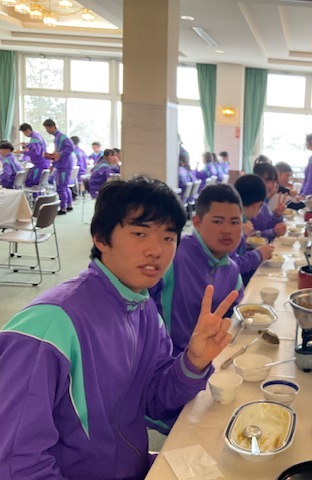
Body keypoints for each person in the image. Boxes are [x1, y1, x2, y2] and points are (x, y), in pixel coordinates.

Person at [0, 176, 237, 479]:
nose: (156, 250)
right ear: (100, 238)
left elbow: (154, 401)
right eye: (140, 233)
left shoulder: (142, 309)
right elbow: (15, 463)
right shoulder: (49, 326)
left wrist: (194, 361)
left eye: (168, 237)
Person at [151, 184, 244, 354]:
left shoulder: (232, 270)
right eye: (217, 221)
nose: (227, 230)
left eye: (234, 222)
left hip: (211, 356)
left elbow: (234, 317)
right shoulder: (173, 256)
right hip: (169, 360)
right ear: (197, 223)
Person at [232, 174, 275, 283]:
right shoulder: (236, 226)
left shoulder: (240, 221)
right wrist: (258, 255)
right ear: (258, 205)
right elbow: (231, 265)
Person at [43, 119, 75, 214]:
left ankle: (63, 207)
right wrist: (53, 160)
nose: (47, 131)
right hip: (61, 164)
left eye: (47, 128)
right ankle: (68, 205)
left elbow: (71, 148)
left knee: (61, 187)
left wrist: (59, 154)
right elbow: (58, 152)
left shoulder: (62, 137)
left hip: (64, 165)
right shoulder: (57, 138)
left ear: (52, 126)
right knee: (64, 186)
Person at [252, 162, 286, 242]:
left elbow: (268, 226)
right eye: (266, 181)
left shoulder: (264, 202)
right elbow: (249, 237)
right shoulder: (249, 203)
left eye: (274, 182)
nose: (271, 186)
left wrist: (277, 216)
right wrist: (273, 232)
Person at [18, 123, 49, 187]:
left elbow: (35, 153)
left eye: (24, 133)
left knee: (30, 183)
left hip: (39, 164)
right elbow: (36, 147)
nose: (24, 134)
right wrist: (27, 145)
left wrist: (22, 152)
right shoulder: (37, 136)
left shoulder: (34, 139)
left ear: (27, 130)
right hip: (44, 163)